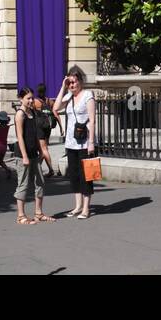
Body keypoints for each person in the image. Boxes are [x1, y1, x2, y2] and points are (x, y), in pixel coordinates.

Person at [54, 65, 96, 219]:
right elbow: (56, 108)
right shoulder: (68, 96)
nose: (72, 85)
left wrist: (91, 142)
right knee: (74, 175)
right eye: (69, 83)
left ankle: (86, 208)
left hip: (84, 142)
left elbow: (92, 120)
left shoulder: (87, 95)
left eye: (74, 82)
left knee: (86, 176)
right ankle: (78, 206)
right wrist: (62, 87)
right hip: (71, 142)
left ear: (80, 81)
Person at [14, 88, 53, 224]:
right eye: (28, 98)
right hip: (23, 155)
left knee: (40, 182)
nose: (31, 100)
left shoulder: (32, 113)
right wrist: (24, 156)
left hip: (34, 153)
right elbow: (20, 137)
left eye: (32, 98)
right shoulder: (20, 114)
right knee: (23, 184)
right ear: (21, 99)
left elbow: (35, 134)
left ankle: (38, 213)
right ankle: (21, 216)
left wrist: (41, 150)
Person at [35, 83, 58, 176]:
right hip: (48, 127)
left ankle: (49, 169)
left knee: (43, 149)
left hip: (40, 127)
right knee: (44, 148)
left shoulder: (35, 102)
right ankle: (38, 168)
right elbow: (55, 112)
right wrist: (60, 126)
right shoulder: (50, 101)